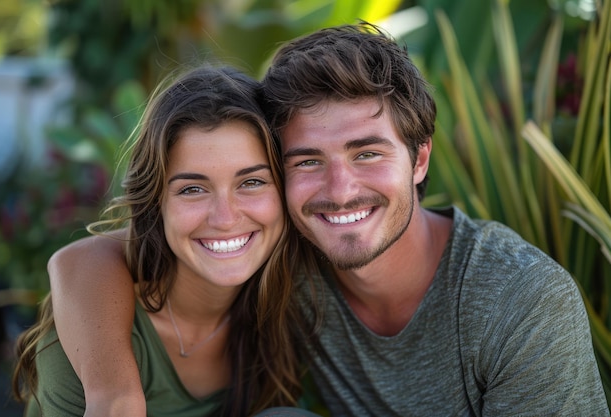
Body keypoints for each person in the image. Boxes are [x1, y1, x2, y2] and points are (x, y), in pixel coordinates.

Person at [43, 23, 609, 416]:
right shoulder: (289, 256)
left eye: (367, 153)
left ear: (420, 158)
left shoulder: (520, 302)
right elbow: (87, 258)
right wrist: (118, 398)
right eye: (308, 161)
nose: (339, 192)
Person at [11, 65, 321, 417]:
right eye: (192, 189)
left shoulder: (286, 308)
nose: (225, 218)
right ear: (156, 204)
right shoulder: (92, 338)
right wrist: (119, 400)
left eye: (251, 182)